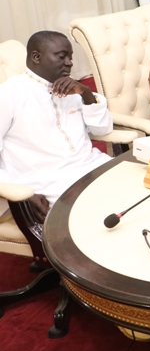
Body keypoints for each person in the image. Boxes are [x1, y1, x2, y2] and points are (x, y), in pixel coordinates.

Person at [0, 31, 113, 221]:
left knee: (140, 191)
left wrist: (85, 94)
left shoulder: (72, 89)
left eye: (70, 57)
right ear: (36, 57)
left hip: (93, 166)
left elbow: (103, 130)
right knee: (103, 216)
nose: (69, 63)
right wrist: (19, 193)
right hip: (48, 183)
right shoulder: (9, 94)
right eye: (62, 57)